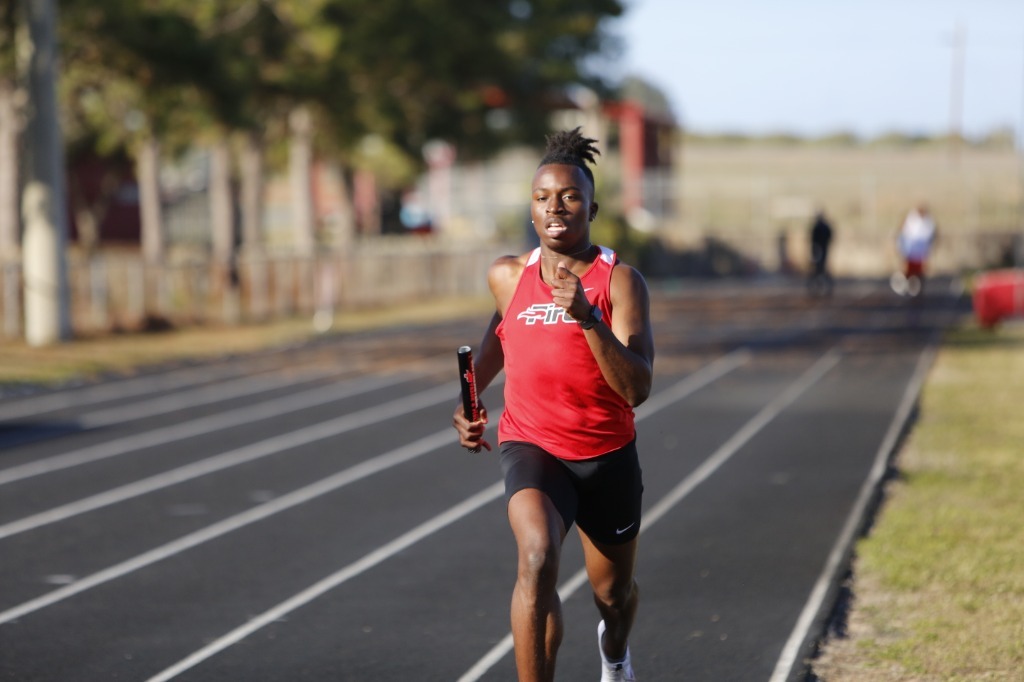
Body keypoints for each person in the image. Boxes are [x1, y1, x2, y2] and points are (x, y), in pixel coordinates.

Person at [452, 127, 654, 682]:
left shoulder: (621, 282)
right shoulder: (507, 276)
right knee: (537, 557)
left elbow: (637, 388)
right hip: (533, 445)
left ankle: (614, 654)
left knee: (613, 598)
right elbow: (497, 342)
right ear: (531, 208)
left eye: (568, 196)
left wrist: (587, 317)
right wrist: (468, 405)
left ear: (592, 205)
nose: (555, 207)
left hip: (607, 454)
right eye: (542, 197)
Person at [893, 203, 938, 297]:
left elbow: (931, 237)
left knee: (920, 274)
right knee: (908, 273)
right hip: (910, 252)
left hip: (921, 254)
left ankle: (918, 292)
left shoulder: (928, 222)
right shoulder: (911, 219)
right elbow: (902, 234)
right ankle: (908, 290)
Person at [807, 209, 834, 297]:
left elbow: (813, 239)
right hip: (819, 250)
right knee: (818, 270)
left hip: (819, 250)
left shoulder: (820, 227)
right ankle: (817, 288)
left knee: (819, 269)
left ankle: (822, 288)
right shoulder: (821, 227)